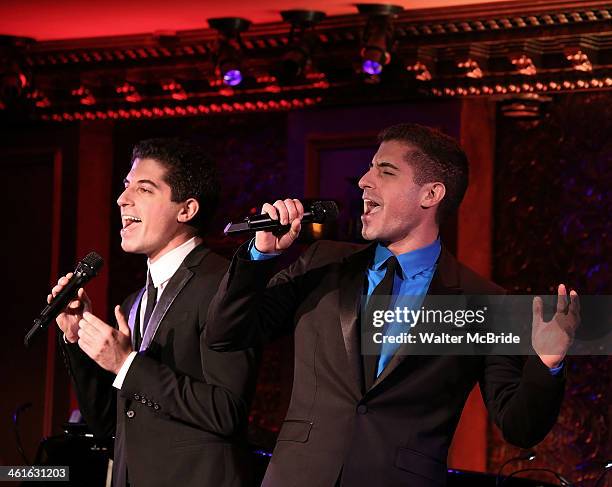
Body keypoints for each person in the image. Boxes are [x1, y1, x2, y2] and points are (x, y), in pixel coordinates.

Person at [205, 124, 579, 487]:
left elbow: (520, 427)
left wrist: (548, 363)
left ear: (431, 195)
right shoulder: (323, 263)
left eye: (385, 170)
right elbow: (225, 333)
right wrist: (258, 256)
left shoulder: (484, 302)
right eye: (368, 168)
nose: (364, 181)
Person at [51, 138, 259, 487]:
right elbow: (109, 425)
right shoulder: (135, 302)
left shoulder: (224, 284)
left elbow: (228, 411)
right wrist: (76, 338)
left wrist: (126, 364)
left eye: (144, 189)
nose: (122, 199)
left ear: (187, 209)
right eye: (125, 186)